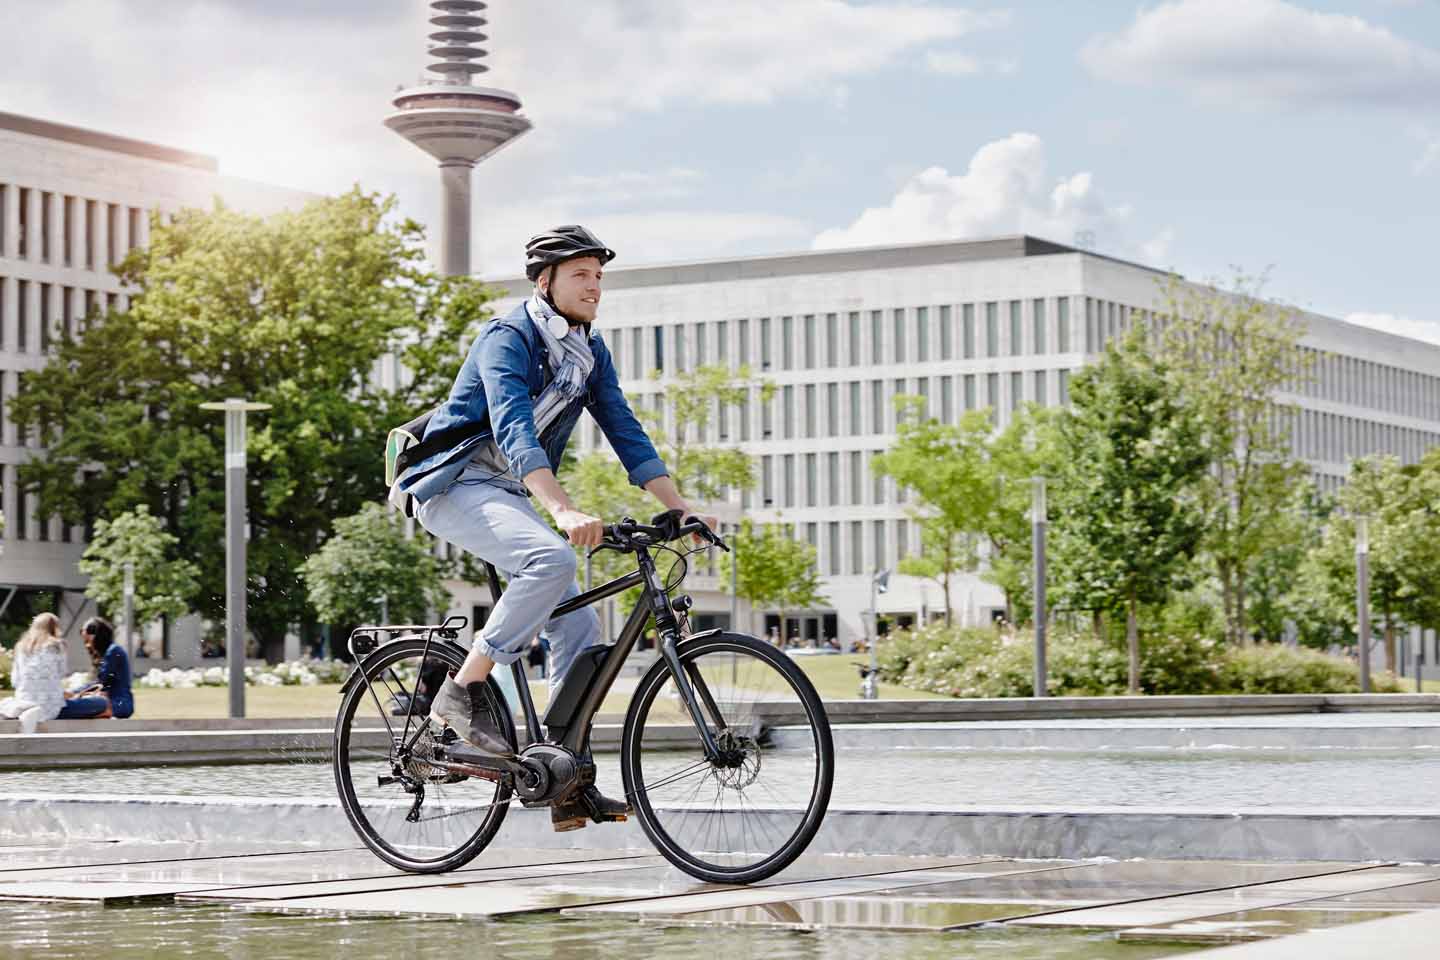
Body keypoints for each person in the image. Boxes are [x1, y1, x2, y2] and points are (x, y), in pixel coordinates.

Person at [395, 225, 716, 832]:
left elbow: (624, 428)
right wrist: (563, 509)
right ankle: (462, 689)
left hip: (512, 491)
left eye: (599, 277)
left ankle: (567, 779)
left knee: (580, 625)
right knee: (552, 559)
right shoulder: (506, 337)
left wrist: (680, 506)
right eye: (580, 275)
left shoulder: (588, 352)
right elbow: (514, 425)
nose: (594, 287)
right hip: (454, 483)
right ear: (544, 281)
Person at [0, 612, 67, 733]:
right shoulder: (57, 645)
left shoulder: (21, 646)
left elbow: (15, 680)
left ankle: (25, 709)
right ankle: (34, 710)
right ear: (55, 628)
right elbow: (62, 673)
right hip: (51, 706)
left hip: (24, 699)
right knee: (100, 704)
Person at [59, 617, 133, 720]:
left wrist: (72, 692)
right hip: (111, 703)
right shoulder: (106, 653)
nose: (87, 645)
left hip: (118, 704)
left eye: (88, 641)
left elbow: (100, 683)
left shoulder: (114, 651)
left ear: (97, 636)